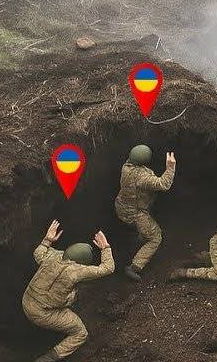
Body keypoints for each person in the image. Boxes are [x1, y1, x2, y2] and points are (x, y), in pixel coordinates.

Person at [22, 220, 114, 361]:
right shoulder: (77, 271)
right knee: (80, 333)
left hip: (27, 301)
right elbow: (108, 268)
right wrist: (105, 248)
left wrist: (47, 240)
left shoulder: (52, 257)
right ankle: (48, 358)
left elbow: (38, 253)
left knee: (71, 295)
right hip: (42, 314)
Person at [114, 144, 175, 281]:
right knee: (155, 237)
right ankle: (134, 267)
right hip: (135, 214)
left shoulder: (126, 167)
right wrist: (170, 167)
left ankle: (137, 238)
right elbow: (163, 184)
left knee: (142, 230)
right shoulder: (141, 177)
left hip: (122, 207)